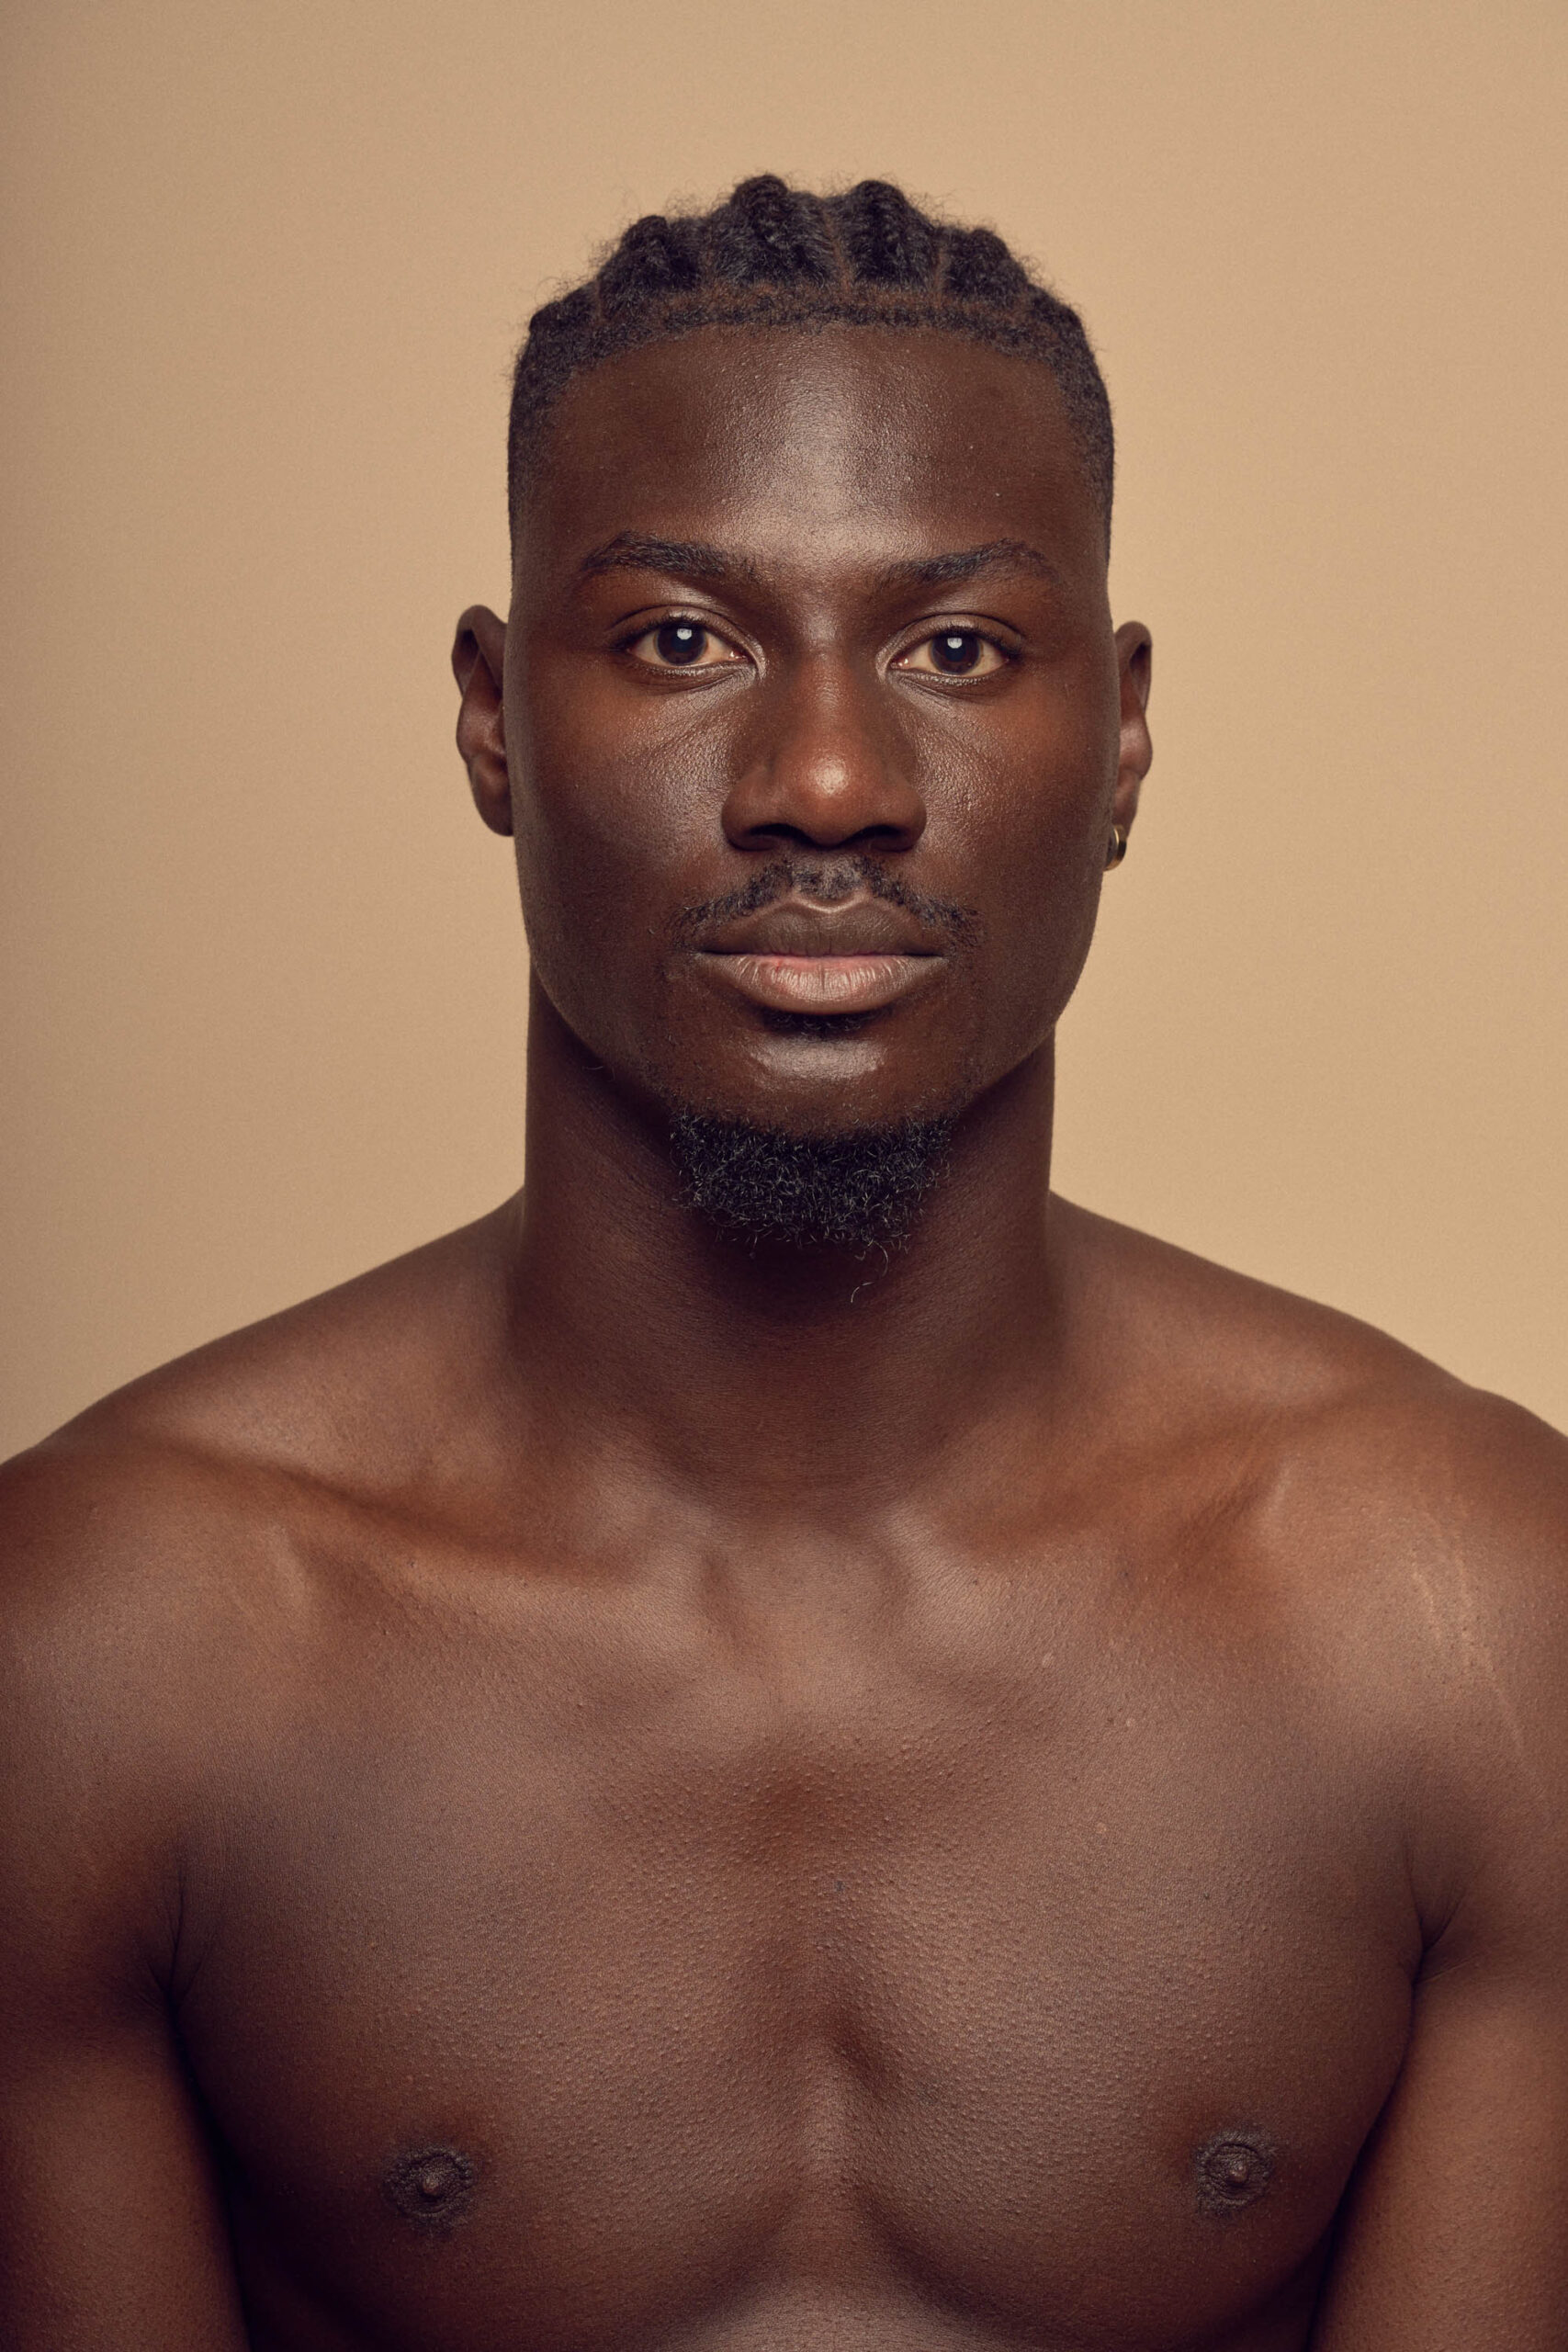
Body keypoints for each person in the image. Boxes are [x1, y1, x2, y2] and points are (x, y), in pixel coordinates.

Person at [2, 172, 1564, 2352]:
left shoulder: (1464, 1618)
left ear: (1116, 734)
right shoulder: (103, 1646)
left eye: (951, 650)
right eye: (678, 640)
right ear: (487, 718)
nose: (823, 780)